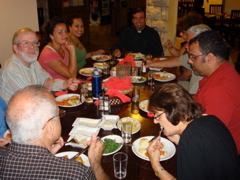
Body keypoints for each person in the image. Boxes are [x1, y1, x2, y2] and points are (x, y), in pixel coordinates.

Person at [0, 85, 109, 179]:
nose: (60, 116)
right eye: (59, 113)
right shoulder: (76, 174)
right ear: (50, 127)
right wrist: (95, 164)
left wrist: (47, 153)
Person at [147, 83, 240, 180]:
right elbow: (205, 156)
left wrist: (156, 165)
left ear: (173, 111)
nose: (155, 120)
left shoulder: (190, 139)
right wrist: (180, 140)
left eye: (157, 115)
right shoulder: (211, 119)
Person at [188, 30, 240, 155]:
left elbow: (208, 138)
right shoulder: (222, 71)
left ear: (209, 58)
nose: (189, 61)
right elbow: (202, 101)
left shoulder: (219, 90)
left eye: (193, 57)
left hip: (222, 155)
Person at [0, 28, 79, 103]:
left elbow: (48, 80)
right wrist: (44, 90)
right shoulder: (12, 70)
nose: (32, 47)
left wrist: (66, 83)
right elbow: (30, 98)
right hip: (16, 114)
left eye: (35, 42)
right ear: (16, 48)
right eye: (26, 43)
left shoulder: (33, 62)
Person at [146, 24, 211, 94]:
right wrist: (152, 63)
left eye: (190, 43)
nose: (186, 46)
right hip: (189, 87)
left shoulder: (205, 60)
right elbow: (178, 60)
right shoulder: (194, 55)